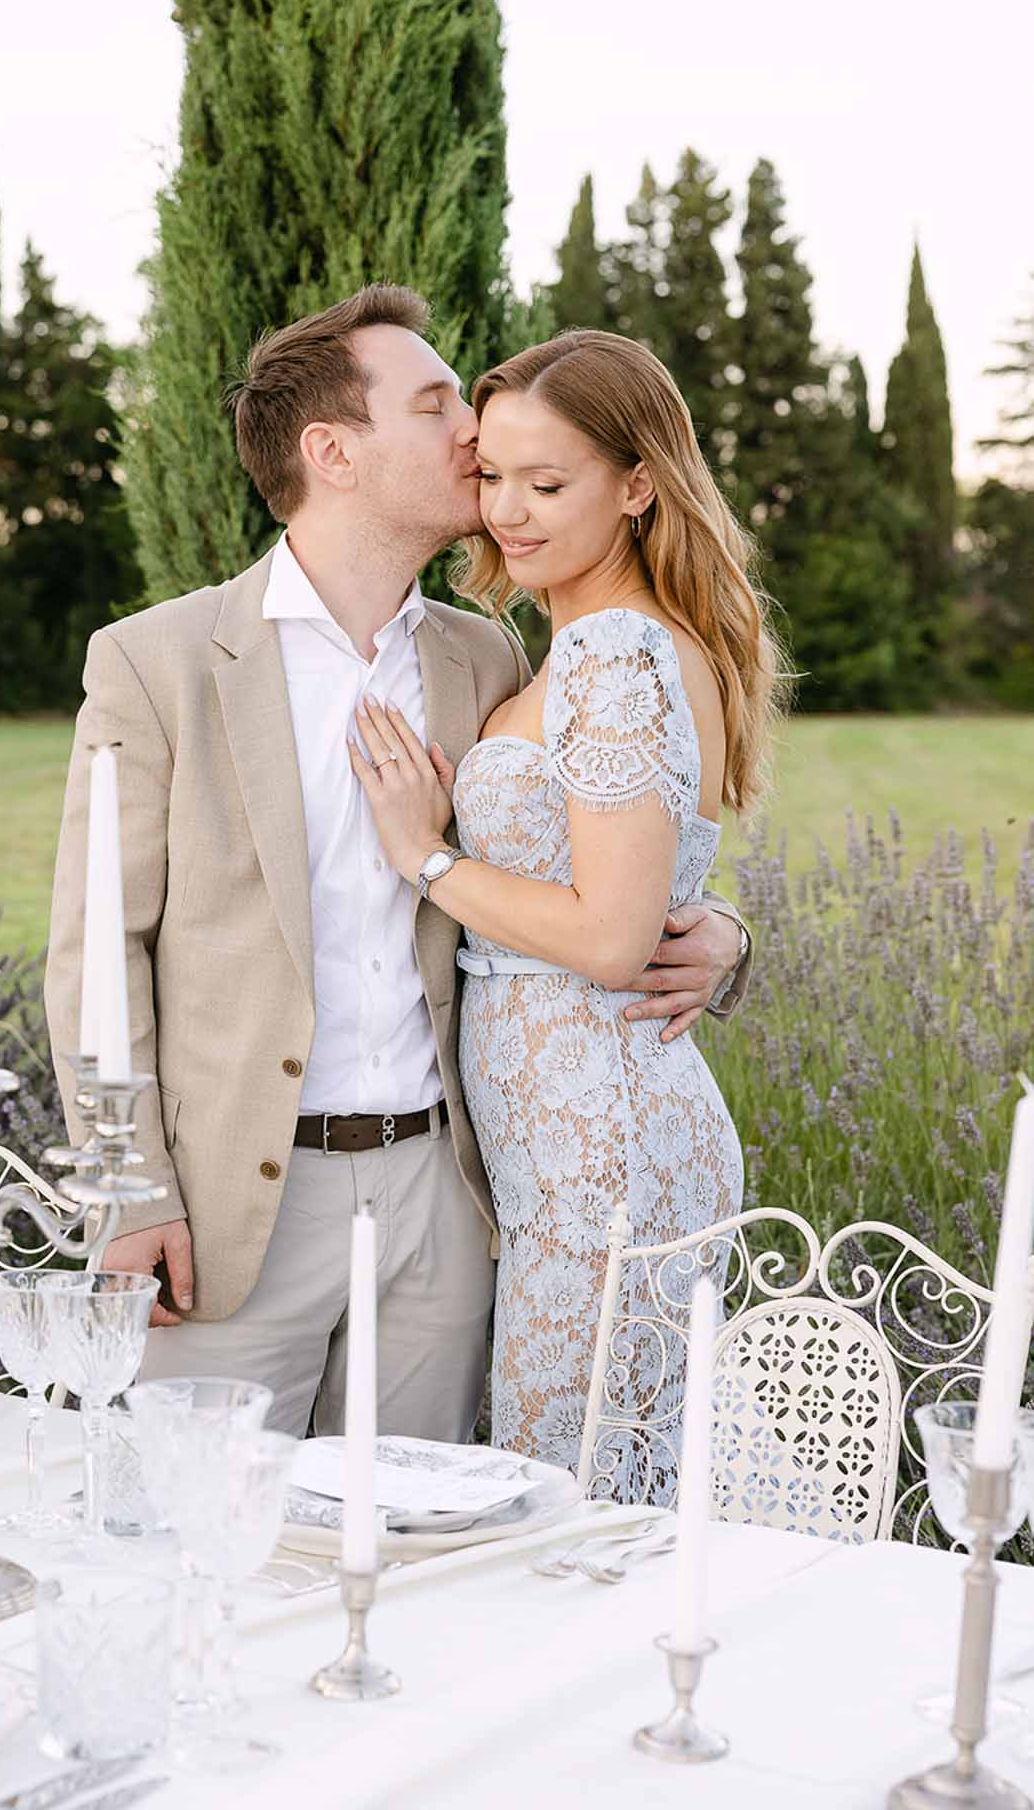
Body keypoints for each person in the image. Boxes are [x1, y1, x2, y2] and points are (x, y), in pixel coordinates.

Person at [45, 289, 753, 1443]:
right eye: (434, 405)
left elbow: (597, 844)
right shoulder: (158, 662)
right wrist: (128, 1189)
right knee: (197, 1547)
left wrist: (715, 926)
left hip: (450, 1195)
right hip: (239, 1212)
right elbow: (94, 954)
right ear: (332, 451)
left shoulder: (488, 655)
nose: (472, 436)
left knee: (423, 1560)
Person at [349, 328, 786, 1478]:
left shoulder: (610, 655)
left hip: (604, 1145)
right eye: (491, 475)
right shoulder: (584, 646)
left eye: (548, 483)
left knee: (573, 1481)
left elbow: (609, 938)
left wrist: (424, 855)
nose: (509, 510)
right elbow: (644, 885)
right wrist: (724, 932)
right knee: (593, 1469)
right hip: (572, 1136)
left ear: (638, 484)